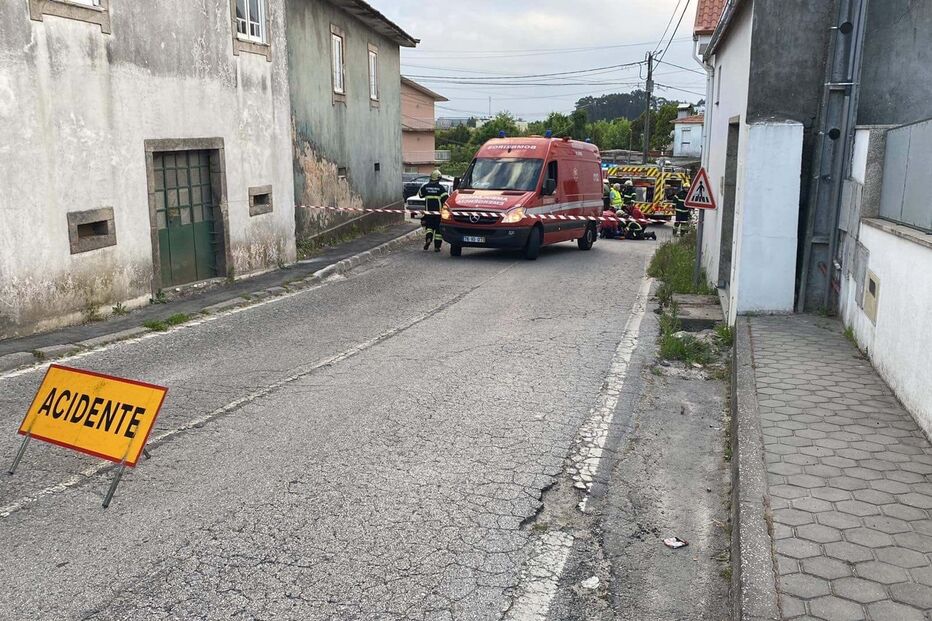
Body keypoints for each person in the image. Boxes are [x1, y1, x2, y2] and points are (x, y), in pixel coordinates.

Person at [418, 170, 448, 252]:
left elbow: (420, 195)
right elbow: (446, 199)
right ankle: (437, 247)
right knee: (438, 230)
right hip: (438, 213)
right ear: (438, 178)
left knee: (429, 227)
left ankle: (428, 239)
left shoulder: (425, 187)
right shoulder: (441, 188)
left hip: (428, 213)